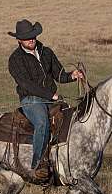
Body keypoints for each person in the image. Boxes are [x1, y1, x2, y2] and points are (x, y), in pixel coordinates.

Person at [8, 19, 83, 180]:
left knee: (71, 118)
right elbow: (26, 84)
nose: (31, 39)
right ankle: (38, 165)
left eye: (33, 35)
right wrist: (51, 95)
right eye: (27, 37)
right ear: (19, 39)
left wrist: (72, 75)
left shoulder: (46, 52)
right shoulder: (15, 60)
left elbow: (59, 74)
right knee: (42, 122)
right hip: (31, 100)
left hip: (51, 99)